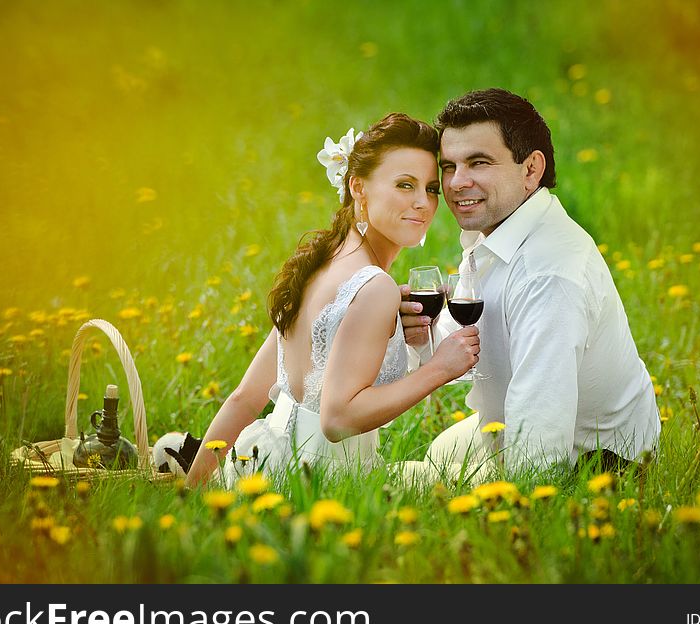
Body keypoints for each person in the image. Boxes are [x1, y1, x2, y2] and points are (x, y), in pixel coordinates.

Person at [186, 113, 480, 488]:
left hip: (263, 469)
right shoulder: (374, 287)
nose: (423, 203)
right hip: (327, 484)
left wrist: (191, 491)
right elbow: (338, 419)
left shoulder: (322, 262)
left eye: (431, 188)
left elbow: (245, 398)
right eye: (405, 185)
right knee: (479, 478)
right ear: (358, 187)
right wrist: (439, 369)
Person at [400, 88, 660, 479]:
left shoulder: (549, 275)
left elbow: (540, 454)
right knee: (439, 452)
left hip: (598, 462)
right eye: (449, 166)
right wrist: (424, 337)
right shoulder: (497, 235)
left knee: (405, 478)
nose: (456, 183)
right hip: (519, 422)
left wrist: (507, 486)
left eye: (479, 162)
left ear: (531, 169)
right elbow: (476, 340)